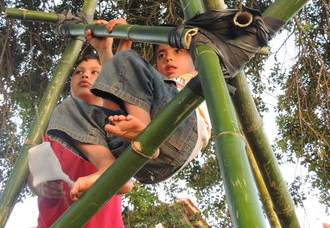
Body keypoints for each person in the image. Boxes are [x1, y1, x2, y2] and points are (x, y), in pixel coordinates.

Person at [47, 22, 211, 201]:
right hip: (143, 162)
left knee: (127, 59)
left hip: (180, 129)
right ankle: (109, 169)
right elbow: (115, 100)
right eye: (161, 55)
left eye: (177, 51)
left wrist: (123, 51)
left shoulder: (200, 73)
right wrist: (105, 50)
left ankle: (145, 134)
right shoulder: (151, 91)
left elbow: (124, 66)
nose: (168, 58)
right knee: (66, 109)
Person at [27, 19, 132, 228]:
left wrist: (117, 45)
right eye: (78, 72)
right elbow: (32, 174)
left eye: (95, 72)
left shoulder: (113, 122)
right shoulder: (52, 130)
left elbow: (120, 87)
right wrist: (39, 185)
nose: (85, 76)